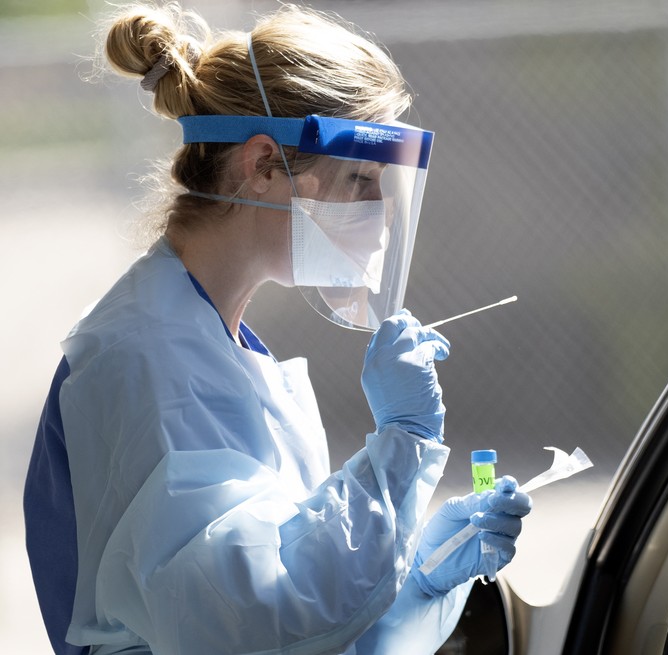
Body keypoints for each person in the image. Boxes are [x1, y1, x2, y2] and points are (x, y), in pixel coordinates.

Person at [23, 4, 532, 654]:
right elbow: (248, 621)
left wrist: (421, 578)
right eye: (359, 179)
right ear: (262, 164)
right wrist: (399, 449)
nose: (379, 212)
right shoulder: (144, 359)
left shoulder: (226, 349)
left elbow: (303, 623)